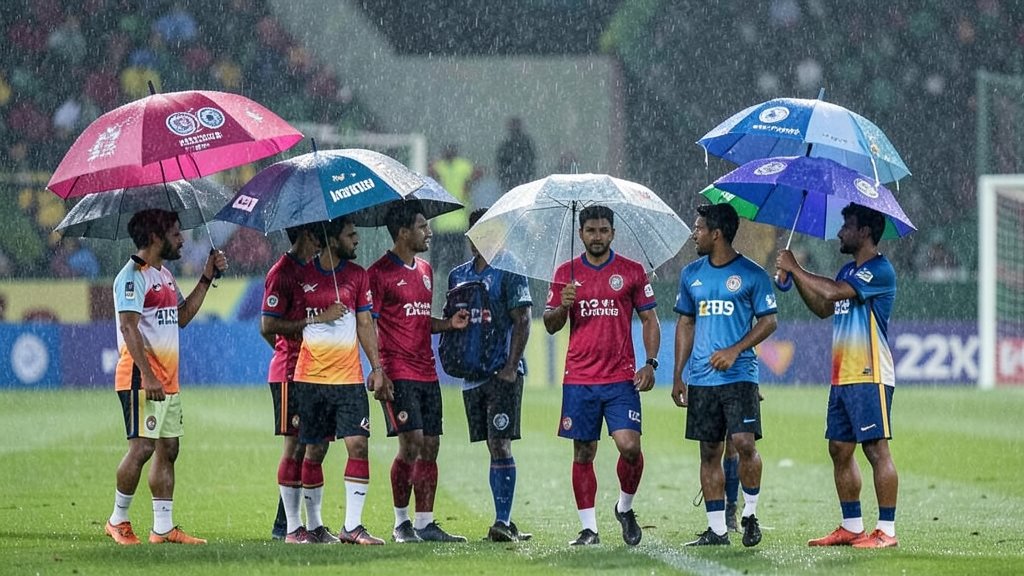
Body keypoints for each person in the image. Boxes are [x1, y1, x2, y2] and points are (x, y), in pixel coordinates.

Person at [776, 202, 900, 549]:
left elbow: (831, 292)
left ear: (864, 232)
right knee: (839, 449)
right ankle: (852, 526)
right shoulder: (847, 271)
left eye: (846, 226)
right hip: (843, 375)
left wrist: (796, 267)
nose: (839, 232)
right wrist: (795, 280)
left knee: (876, 450)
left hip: (870, 372)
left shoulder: (879, 270)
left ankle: (887, 531)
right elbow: (822, 307)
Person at [105, 209, 227, 545]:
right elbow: (128, 327)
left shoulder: (165, 275)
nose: (182, 239)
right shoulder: (132, 276)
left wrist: (206, 277)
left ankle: (162, 528)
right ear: (156, 237)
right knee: (143, 448)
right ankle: (118, 520)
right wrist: (148, 376)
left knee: (168, 448)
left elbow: (182, 317)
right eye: (175, 233)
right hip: (140, 376)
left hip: (167, 379)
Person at [542, 205, 660, 547]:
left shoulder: (632, 271)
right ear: (581, 234)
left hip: (620, 378)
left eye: (603, 230)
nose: (597, 236)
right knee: (583, 452)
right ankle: (589, 529)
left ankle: (624, 508)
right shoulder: (566, 272)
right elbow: (550, 325)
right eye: (591, 230)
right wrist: (563, 304)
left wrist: (650, 363)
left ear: (613, 232)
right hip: (579, 377)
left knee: (630, 448)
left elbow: (650, 320)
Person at [671, 203, 777, 547]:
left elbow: (769, 321)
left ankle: (750, 514)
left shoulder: (752, 275)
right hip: (702, 379)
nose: (694, 234)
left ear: (716, 234)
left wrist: (735, 350)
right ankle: (717, 529)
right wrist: (678, 374)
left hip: (740, 375)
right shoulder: (691, 274)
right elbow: (686, 322)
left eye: (699, 228)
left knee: (745, 444)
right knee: (709, 452)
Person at [368, 200, 470, 543]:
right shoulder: (379, 273)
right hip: (398, 370)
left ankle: (425, 523)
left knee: (430, 444)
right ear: (403, 232)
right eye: (423, 226)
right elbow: (371, 324)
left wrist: (448, 324)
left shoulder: (425, 270)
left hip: (428, 371)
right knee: (410, 443)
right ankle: (401, 523)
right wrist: (379, 370)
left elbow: (418, 320)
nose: (429, 232)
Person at [291, 217, 389, 545]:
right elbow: (284, 324)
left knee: (358, 445)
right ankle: (316, 526)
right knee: (314, 450)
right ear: (332, 240)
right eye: (350, 235)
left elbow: (364, 323)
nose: (357, 239)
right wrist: (320, 316)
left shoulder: (358, 276)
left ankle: (352, 526)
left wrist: (376, 368)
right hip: (311, 378)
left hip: (348, 378)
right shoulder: (302, 275)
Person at [446, 207, 533, 542]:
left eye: (490, 231)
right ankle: (506, 520)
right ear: (470, 236)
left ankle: (501, 520)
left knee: (500, 443)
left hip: (502, 373)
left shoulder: (511, 269)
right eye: (477, 232)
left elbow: (523, 319)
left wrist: (511, 367)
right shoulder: (458, 276)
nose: (482, 238)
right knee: (491, 446)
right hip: (473, 374)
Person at [259, 222, 331, 542]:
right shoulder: (282, 272)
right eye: (319, 235)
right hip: (290, 372)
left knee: (313, 445)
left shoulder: (314, 269)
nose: (322, 242)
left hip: (316, 371)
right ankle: (290, 528)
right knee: (296, 445)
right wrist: (291, 346)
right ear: (305, 235)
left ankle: (291, 524)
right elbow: (267, 325)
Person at [429, 143, 483, 291]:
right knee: (449, 262)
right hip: (446, 222)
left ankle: (448, 288)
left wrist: (469, 183)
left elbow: (479, 172)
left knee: (448, 262)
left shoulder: (459, 166)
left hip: (453, 222)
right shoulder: (443, 166)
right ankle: (448, 287)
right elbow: (478, 172)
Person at [495, 117, 536, 192]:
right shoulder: (508, 143)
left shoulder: (509, 143)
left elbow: (501, 161)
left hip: (516, 178)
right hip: (517, 178)